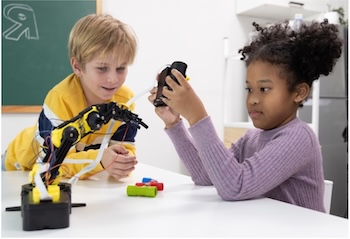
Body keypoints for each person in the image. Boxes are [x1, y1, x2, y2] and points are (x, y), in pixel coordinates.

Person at [148, 19, 343, 212]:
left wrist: (197, 116)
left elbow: (235, 186)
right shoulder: (252, 137)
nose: (253, 99)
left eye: (264, 89)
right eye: (249, 89)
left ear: (299, 92)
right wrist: (174, 123)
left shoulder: (298, 138)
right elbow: (207, 176)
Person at [3, 14, 140, 181]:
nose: (113, 79)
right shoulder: (60, 99)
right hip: (19, 166)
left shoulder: (125, 100)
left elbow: (124, 148)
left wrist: (121, 162)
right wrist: (100, 159)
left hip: (74, 174)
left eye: (121, 68)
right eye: (102, 68)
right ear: (77, 66)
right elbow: (53, 165)